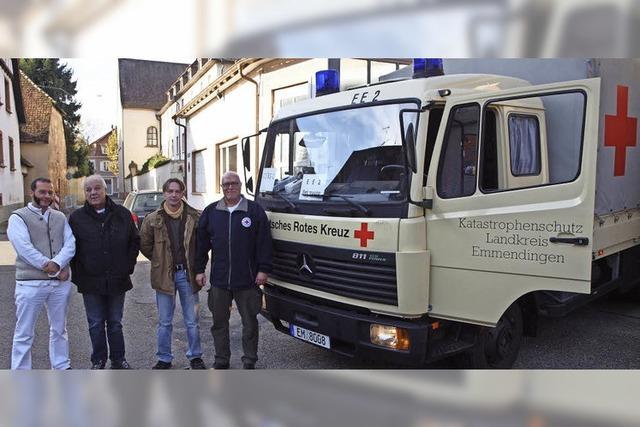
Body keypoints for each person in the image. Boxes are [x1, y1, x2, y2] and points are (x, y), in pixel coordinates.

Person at [195, 171, 273, 369]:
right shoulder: (212, 212)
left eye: (234, 183)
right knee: (219, 324)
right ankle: (221, 360)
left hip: (247, 279)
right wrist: (199, 269)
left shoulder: (254, 211)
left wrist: (263, 269)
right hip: (220, 280)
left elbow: (264, 243)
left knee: (250, 323)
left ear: (240, 185)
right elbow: (201, 244)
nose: (230, 187)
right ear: (222, 187)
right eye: (226, 184)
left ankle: (249, 360)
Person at [69, 175, 140, 369]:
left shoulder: (123, 214)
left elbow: (134, 241)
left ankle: (118, 359)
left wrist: (128, 266)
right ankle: (98, 359)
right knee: (95, 323)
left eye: (97, 188)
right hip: (90, 281)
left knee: (115, 322)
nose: (93, 193)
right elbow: (70, 249)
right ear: (85, 193)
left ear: (105, 189)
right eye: (88, 189)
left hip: (117, 279)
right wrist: (79, 273)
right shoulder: (76, 218)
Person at [7, 177, 75, 369]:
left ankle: (61, 366)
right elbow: (24, 248)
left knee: (59, 329)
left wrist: (59, 263)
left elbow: (70, 244)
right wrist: (52, 267)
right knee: (24, 331)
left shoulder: (60, 216)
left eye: (50, 192)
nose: (46, 196)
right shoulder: (18, 217)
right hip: (30, 284)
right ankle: (21, 372)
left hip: (59, 285)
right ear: (32, 193)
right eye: (42, 192)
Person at [139, 178, 206, 370]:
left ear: (183, 193)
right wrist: (161, 262)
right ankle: (164, 358)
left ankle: (195, 357)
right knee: (165, 321)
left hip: (187, 275)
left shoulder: (195, 216)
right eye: (170, 191)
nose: (174, 195)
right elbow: (145, 245)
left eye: (178, 191)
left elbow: (202, 246)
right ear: (164, 193)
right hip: (164, 276)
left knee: (192, 320)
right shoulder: (153, 219)